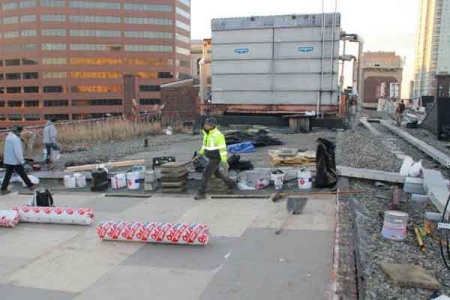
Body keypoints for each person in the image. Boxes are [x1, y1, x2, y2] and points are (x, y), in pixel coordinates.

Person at [194, 117, 236, 200]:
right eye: (205, 124)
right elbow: (204, 146)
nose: (205, 125)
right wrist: (199, 155)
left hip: (216, 158)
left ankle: (201, 193)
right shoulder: (207, 134)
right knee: (217, 174)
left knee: (206, 174)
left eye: (207, 124)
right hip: (210, 157)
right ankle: (231, 183)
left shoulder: (218, 135)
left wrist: (224, 161)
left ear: (212, 126)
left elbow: (223, 149)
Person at [1, 125, 37, 195]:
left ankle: (3, 189)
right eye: (20, 132)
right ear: (18, 131)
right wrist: (21, 161)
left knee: (8, 175)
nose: (20, 133)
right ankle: (31, 185)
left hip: (8, 160)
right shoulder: (15, 139)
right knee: (22, 173)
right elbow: (17, 151)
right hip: (15, 161)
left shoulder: (8, 137)